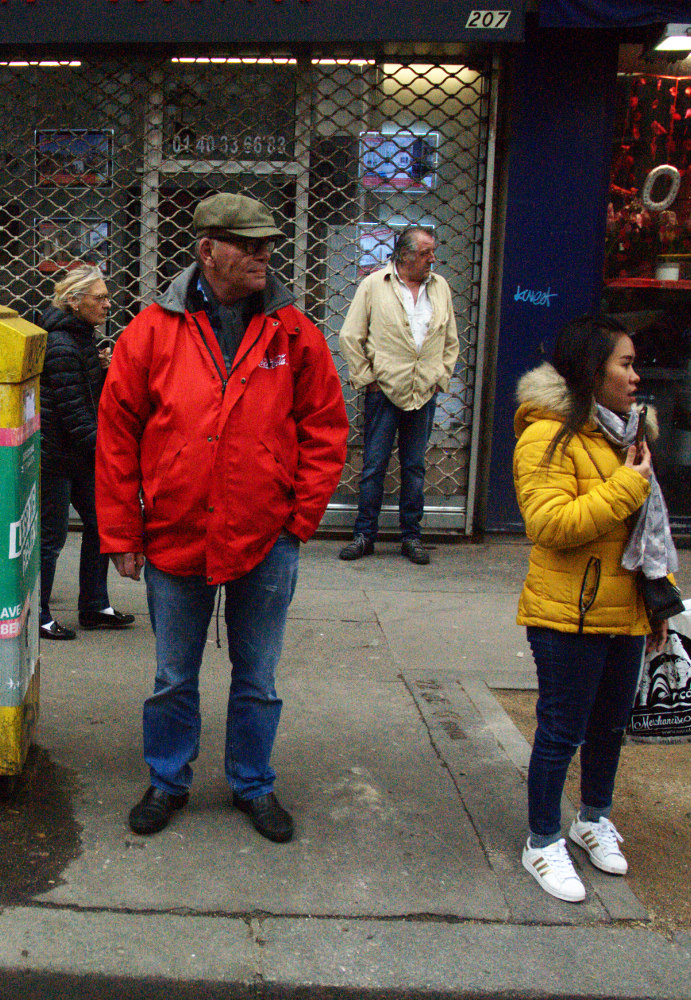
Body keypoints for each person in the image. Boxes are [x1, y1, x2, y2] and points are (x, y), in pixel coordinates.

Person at [97, 193, 348, 843]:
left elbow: (325, 428)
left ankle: (252, 782)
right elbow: (117, 436)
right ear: (208, 250)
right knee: (172, 676)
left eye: (268, 244)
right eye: (249, 244)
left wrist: (299, 520)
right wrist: (121, 532)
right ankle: (167, 779)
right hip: (176, 533)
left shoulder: (293, 331)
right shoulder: (152, 331)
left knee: (258, 677)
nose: (264, 254)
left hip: (266, 537)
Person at [511, 314, 676, 903]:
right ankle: (541, 841)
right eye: (624, 364)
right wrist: (628, 485)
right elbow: (549, 525)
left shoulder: (628, 434)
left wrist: (661, 599)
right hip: (568, 614)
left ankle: (593, 818)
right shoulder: (546, 435)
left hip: (627, 611)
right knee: (562, 731)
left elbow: (650, 532)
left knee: (610, 727)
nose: (636, 377)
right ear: (591, 369)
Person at [337, 226, 461, 565]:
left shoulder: (440, 287)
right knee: (374, 465)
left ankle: (411, 537)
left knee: (414, 467)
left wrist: (440, 378)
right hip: (384, 391)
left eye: (432, 251)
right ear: (404, 255)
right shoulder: (374, 285)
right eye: (425, 253)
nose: (432, 259)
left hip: (424, 391)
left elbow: (450, 339)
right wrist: (368, 379)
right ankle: (364, 535)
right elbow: (350, 336)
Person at [37, 264, 135, 640]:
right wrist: (109, 452)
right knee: (51, 537)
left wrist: (101, 369)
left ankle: (94, 605)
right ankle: (39, 613)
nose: (108, 304)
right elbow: (75, 413)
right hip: (57, 456)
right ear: (75, 301)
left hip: (75, 454)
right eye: (101, 298)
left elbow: (85, 396)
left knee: (99, 525)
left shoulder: (79, 338)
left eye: (107, 297)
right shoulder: (62, 344)